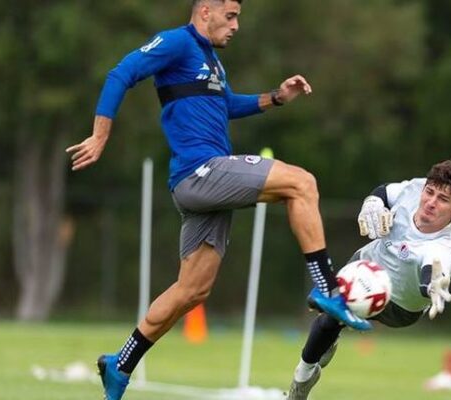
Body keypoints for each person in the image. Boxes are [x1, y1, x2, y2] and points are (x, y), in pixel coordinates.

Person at [66, 1, 368, 399]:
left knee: (191, 291)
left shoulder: (210, 61)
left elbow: (226, 105)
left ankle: (120, 365)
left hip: (201, 187)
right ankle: (328, 288)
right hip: (200, 171)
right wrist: (100, 136)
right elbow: (120, 73)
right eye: (231, 15)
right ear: (204, 11)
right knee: (302, 183)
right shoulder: (176, 42)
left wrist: (277, 96)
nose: (237, 25)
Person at [285, 159, 451, 400]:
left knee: (330, 317)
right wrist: (373, 202)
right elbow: (385, 192)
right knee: (326, 320)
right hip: (367, 267)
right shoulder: (414, 188)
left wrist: (432, 285)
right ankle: (300, 384)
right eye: (429, 192)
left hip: (400, 307)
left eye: (443, 199)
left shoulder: (448, 244)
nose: (430, 202)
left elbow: (434, 268)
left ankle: (334, 328)